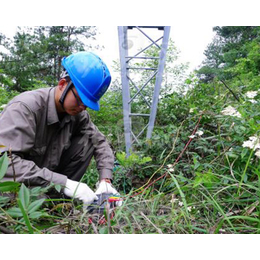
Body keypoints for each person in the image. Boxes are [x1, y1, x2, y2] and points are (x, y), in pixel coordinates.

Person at [0, 51, 121, 206]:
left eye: (87, 104)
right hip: (16, 189)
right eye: (80, 99)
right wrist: (65, 183)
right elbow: (4, 163)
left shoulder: (78, 114)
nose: (82, 107)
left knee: (88, 140)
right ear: (63, 85)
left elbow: (100, 143)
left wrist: (105, 181)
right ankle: (38, 203)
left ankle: (56, 202)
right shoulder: (25, 108)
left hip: (48, 182)